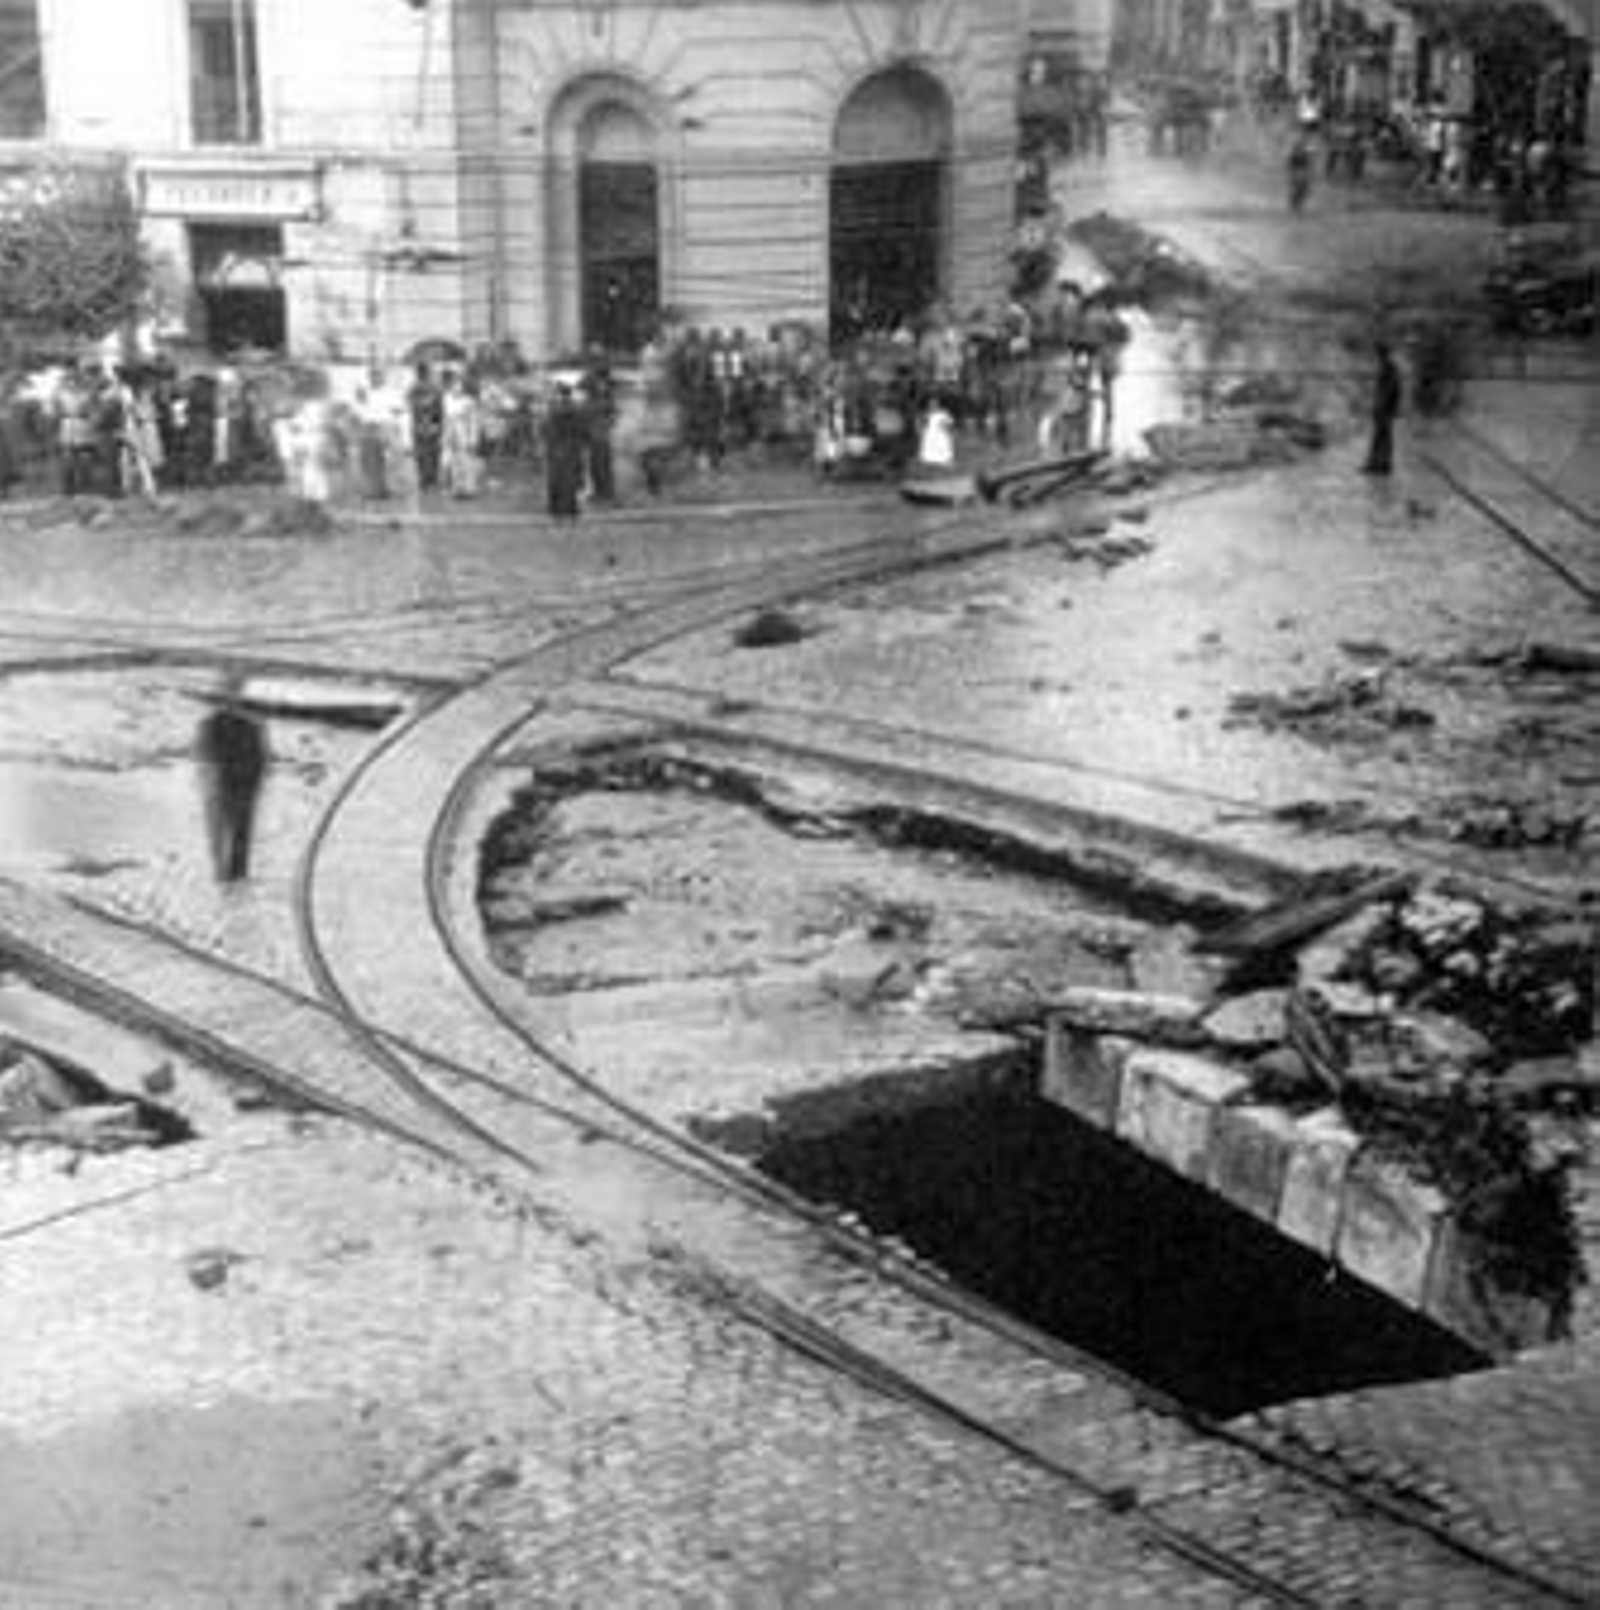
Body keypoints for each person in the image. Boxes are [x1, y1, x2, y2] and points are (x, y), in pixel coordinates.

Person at [196, 675, 268, 884]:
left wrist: (254, 784)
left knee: (236, 834)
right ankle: (225, 877)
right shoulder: (211, 724)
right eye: (226, 696)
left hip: (238, 785)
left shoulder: (252, 725)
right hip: (225, 785)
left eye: (232, 695)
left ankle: (232, 877)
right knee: (226, 834)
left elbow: (261, 760)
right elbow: (205, 757)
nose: (229, 701)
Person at [542, 382, 586, 518]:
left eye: (557, 393)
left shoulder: (556, 409)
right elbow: (580, 430)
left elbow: (548, 429)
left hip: (559, 447)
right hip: (572, 447)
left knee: (558, 479)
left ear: (560, 394)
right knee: (571, 479)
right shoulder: (576, 408)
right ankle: (570, 508)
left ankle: (558, 509)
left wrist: (549, 443)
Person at [1362, 341, 1402, 476]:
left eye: (1377, 354)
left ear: (1381, 354)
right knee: (1383, 437)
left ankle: (1379, 465)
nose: (1375, 357)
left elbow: (1388, 390)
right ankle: (1381, 465)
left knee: (1380, 437)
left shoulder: (1388, 368)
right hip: (1387, 409)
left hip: (1385, 409)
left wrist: (1379, 406)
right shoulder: (1390, 368)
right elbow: (1392, 390)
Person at [407, 363, 444, 494]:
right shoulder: (416, 388)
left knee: (429, 453)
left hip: (425, 424)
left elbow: (439, 408)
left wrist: (436, 424)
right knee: (425, 453)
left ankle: (428, 480)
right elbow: (413, 406)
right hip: (423, 424)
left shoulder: (434, 388)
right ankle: (427, 480)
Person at [1287, 137, 1313, 213]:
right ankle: (1295, 204)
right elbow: (1291, 167)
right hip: (1297, 175)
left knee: (1304, 190)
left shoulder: (1305, 156)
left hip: (1302, 175)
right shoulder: (1294, 157)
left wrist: (1307, 174)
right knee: (1298, 190)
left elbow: (1308, 166)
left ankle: (1297, 203)